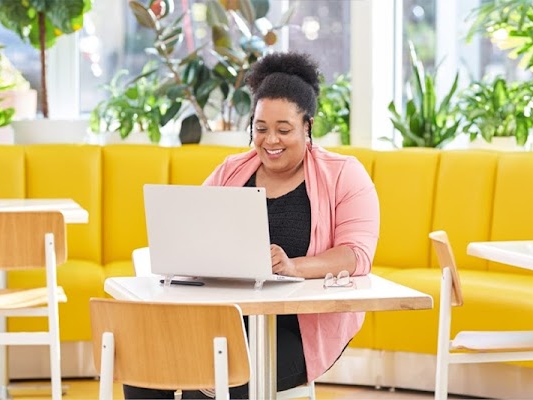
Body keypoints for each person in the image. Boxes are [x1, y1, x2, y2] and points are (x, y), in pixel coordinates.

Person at [123, 51, 380, 399]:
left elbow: (356, 255)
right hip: (223, 322)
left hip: (298, 331)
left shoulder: (344, 174)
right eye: (260, 129)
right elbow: (192, 231)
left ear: (308, 126)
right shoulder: (230, 171)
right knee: (146, 366)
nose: (270, 140)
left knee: (216, 379)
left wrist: (293, 267)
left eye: (283, 129)